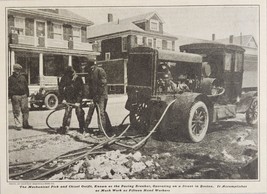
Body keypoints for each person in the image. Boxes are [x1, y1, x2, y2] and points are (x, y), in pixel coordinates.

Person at [85, 61, 111, 133]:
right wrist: (91, 96)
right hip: (95, 96)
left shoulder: (100, 70)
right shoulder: (91, 73)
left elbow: (103, 84)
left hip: (102, 95)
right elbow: (91, 86)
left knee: (101, 113)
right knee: (92, 111)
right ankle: (85, 128)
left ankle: (102, 131)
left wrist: (97, 95)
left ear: (92, 66)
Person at [58, 66, 85, 134]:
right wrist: (63, 99)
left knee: (79, 112)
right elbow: (61, 89)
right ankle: (65, 128)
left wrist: (78, 101)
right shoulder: (64, 78)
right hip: (68, 98)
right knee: (67, 113)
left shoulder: (78, 79)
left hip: (76, 99)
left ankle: (82, 128)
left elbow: (81, 91)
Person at [8, 63, 32, 130]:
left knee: (25, 110)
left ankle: (25, 124)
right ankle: (18, 125)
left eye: (19, 70)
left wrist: (27, 94)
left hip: (24, 96)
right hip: (15, 96)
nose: (18, 71)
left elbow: (26, 86)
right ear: (14, 70)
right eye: (16, 69)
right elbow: (8, 88)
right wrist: (11, 96)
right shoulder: (10, 78)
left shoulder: (23, 77)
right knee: (16, 111)